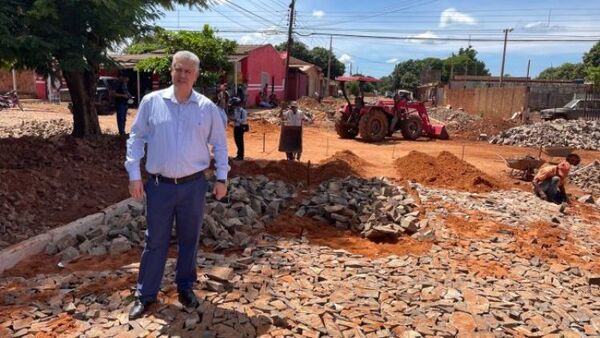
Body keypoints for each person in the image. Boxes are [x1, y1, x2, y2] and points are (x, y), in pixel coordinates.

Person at [124, 50, 228, 320]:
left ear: (196, 75)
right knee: (154, 241)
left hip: (193, 186)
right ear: (171, 70)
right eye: (178, 69)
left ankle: (185, 289)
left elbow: (220, 144)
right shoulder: (152, 102)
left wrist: (222, 177)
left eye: (188, 71)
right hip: (159, 186)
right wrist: (134, 173)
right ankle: (145, 295)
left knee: (189, 240)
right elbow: (136, 138)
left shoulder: (207, 108)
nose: (182, 75)